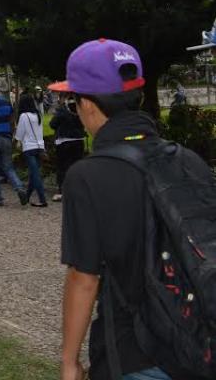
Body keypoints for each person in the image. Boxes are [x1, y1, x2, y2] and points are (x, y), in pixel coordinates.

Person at [52, 40, 177, 380]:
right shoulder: (183, 159)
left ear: (87, 104)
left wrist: (69, 360)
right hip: (197, 342)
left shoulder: (88, 175)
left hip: (135, 352)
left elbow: (84, 278)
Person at [49, 97, 86, 202]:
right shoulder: (81, 111)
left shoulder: (63, 112)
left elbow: (52, 124)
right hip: (78, 140)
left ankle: (62, 191)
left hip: (64, 142)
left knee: (62, 167)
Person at [14, 94, 47, 207]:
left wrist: (16, 141)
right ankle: (27, 197)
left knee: (35, 174)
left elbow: (20, 134)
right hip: (40, 147)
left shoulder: (23, 116)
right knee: (34, 174)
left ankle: (42, 200)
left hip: (29, 147)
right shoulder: (38, 115)